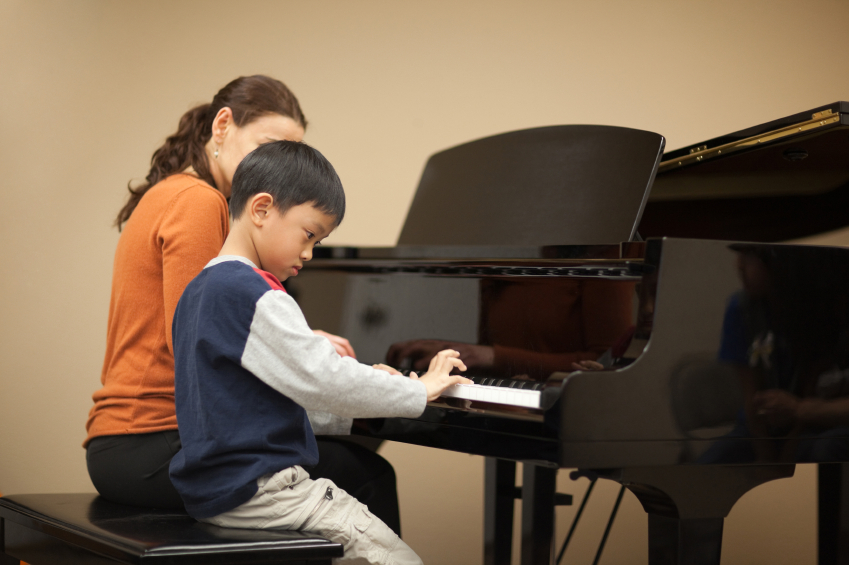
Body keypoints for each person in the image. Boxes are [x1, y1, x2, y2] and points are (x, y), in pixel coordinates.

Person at [85, 76, 403, 534]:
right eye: (267, 146)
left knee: (341, 446)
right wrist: (304, 352)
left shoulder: (176, 192)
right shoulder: (198, 203)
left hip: (131, 441)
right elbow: (195, 344)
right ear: (222, 126)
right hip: (152, 442)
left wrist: (302, 347)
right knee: (366, 474)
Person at [170, 140, 469, 564]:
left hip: (218, 495)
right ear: (261, 209)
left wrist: (369, 400)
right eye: (309, 235)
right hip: (267, 495)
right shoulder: (251, 292)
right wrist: (419, 392)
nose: (309, 253)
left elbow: (256, 404)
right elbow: (321, 377)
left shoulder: (199, 291)